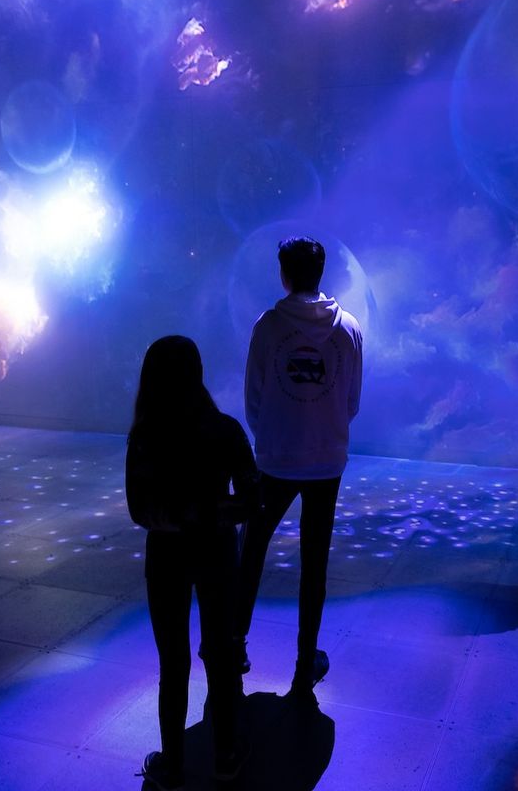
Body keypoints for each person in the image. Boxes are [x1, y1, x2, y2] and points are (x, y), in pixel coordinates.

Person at [126, 335, 257, 790]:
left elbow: (139, 509)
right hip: (218, 555)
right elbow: (252, 499)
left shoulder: (145, 435)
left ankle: (174, 765)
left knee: (173, 664)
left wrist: (183, 516)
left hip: (166, 558)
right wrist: (212, 515)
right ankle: (225, 755)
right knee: (220, 657)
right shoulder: (226, 430)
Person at [237, 236, 363, 706]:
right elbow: (351, 400)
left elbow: (254, 395)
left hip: (274, 458)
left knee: (251, 552)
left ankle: (235, 645)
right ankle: (305, 659)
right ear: (321, 271)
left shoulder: (268, 327)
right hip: (327, 461)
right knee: (315, 563)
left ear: (284, 274)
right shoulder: (348, 328)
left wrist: (271, 434)